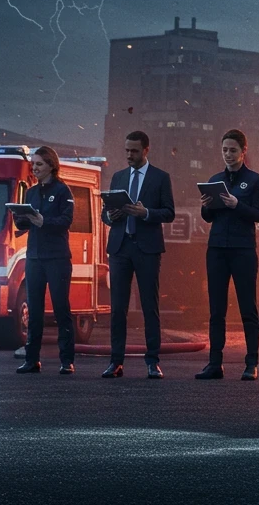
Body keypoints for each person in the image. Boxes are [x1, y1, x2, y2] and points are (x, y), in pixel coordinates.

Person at [101, 131, 174, 379]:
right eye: (127, 151)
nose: (129, 155)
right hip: (120, 247)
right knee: (117, 308)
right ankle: (116, 362)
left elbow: (169, 212)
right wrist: (111, 217)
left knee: (149, 305)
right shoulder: (118, 176)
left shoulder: (160, 178)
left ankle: (153, 361)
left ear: (146, 150)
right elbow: (105, 213)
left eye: (134, 151)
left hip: (147, 248)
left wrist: (145, 214)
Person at [196, 129, 259, 381]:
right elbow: (208, 217)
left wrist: (237, 205)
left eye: (233, 150)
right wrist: (206, 206)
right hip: (216, 249)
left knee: (247, 307)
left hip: (243, 249)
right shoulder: (215, 179)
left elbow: (258, 214)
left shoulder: (254, 180)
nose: (228, 154)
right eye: (224, 150)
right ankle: (215, 363)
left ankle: (251, 363)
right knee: (216, 309)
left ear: (243, 151)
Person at [13, 146, 76, 375]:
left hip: (57, 258)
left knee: (61, 308)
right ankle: (32, 360)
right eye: (33, 164)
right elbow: (26, 224)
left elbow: (65, 221)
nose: (35, 168)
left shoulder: (63, 191)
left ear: (51, 165)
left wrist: (43, 221)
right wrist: (20, 218)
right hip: (35, 258)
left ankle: (66, 360)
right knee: (35, 310)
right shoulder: (30, 192)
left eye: (39, 164)